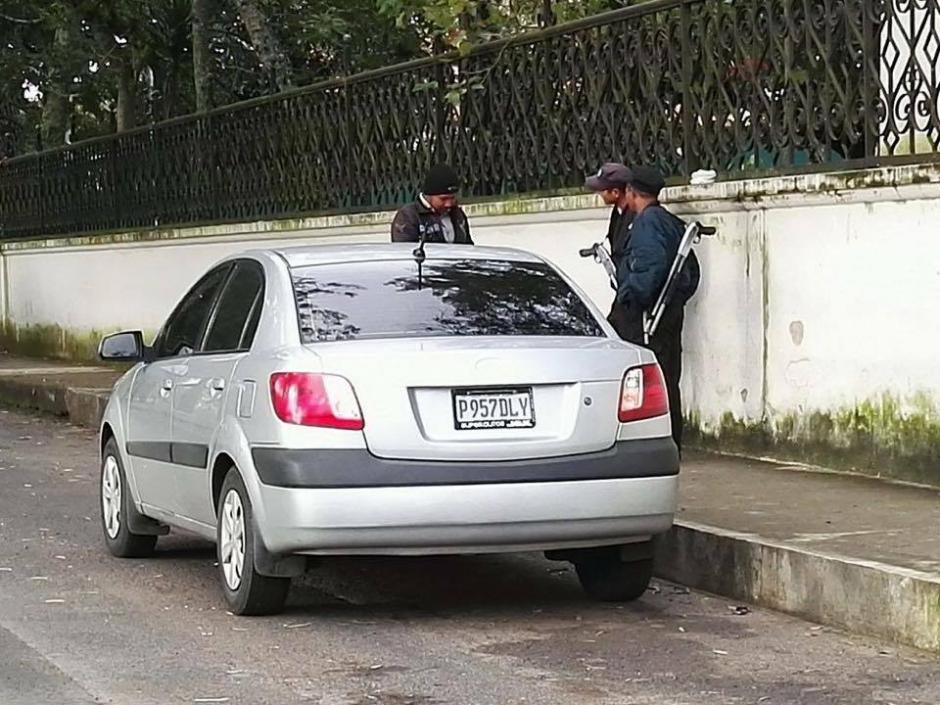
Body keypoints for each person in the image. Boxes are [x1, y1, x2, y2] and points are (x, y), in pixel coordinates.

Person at [615, 166, 700, 453]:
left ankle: (658, 442)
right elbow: (689, 271)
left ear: (631, 192)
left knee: (647, 377)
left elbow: (650, 266)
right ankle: (671, 441)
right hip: (666, 310)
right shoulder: (668, 221)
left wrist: (630, 296)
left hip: (648, 315)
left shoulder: (647, 223)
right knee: (667, 376)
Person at [584, 162, 635, 337]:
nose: (599, 193)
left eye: (602, 189)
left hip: (632, 294)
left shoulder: (636, 216)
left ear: (616, 192)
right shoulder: (618, 213)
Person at [391, 163, 473, 244]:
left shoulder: (458, 215)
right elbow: (405, 251)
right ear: (429, 196)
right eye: (443, 199)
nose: (449, 204)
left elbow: (468, 248)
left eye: (452, 198)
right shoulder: (408, 216)